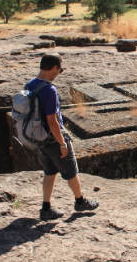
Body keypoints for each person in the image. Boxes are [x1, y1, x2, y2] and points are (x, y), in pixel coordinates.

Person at [26, 54, 98, 220]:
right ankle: (80, 201)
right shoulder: (49, 90)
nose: (59, 73)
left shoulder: (30, 84)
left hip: (39, 138)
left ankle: (46, 208)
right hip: (53, 138)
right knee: (71, 170)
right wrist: (62, 143)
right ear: (53, 68)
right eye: (59, 69)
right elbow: (52, 121)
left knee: (50, 172)